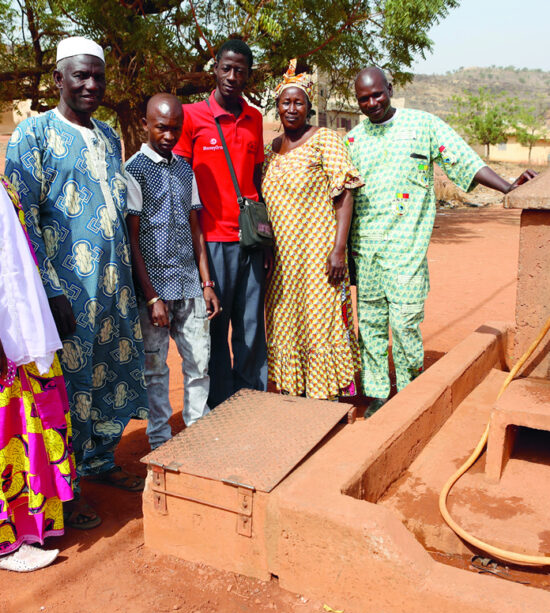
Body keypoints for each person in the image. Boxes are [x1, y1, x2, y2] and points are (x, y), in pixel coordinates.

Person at [5, 36, 148, 529]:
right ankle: (68, 489)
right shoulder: (33, 134)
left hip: (115, 289)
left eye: (99, 76)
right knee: (71, 388)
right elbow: (21, 219)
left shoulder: (109, 136)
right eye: (81, 76)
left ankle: (101, 462)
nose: (91, 85)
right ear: (58, 79)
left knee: (112, 377)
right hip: (68, 293)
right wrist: (51, 290)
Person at [345, 67, 536, 416]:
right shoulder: (353, 141)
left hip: (407, 252)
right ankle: (377, 396)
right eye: (363, 99)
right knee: (370, 326)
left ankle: (409, 391)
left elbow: (463, 159)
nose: (371, 103)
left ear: (390, 88)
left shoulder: (424, 126)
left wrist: (509, 186)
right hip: (366, 251)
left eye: (377, 94)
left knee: (404, 325)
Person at [173, 39, 271, 408]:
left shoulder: (255, 119)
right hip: (210, 242)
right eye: (226, 68)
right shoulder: (192, 116)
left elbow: (256, 182)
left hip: (248, 241)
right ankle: (218, 405)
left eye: (241, 70)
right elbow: (181, 181)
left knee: (250, 328)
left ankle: (250, 402)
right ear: (214, 68)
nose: (232, 76)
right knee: (214, 326)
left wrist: (265, 242)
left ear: (249, 75)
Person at [262, 60, 363, 399]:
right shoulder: (271, 151)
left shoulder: (325, 140)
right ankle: (295, 392)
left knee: (321, 323)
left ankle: (325, 397)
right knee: (287, 323)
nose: (292, 109)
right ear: (277, 106)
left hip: (320, 256)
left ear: (309, 106)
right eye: (285, 102)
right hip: (283, 263)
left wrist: (338, 249)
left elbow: (345, 193)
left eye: (299, 102)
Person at [125, 94, 221, 450]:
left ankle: (197, 431)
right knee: (156, 371)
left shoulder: (184, 167)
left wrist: (206, 282)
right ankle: (161, 441)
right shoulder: (133, 170)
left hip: (189, 284)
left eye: (175, 129)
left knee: (199, 363)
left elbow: (197, 229)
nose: (169, 135)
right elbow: (132, 241)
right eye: (162, 127)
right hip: (155, 293)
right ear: (147, 124)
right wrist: (151, 296)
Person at [0, 176, 75, 571]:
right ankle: (8, 540)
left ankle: (35, 523)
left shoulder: (4, 184)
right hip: (6, 340)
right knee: (8, 430)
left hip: (26, 328)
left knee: (36, 420)